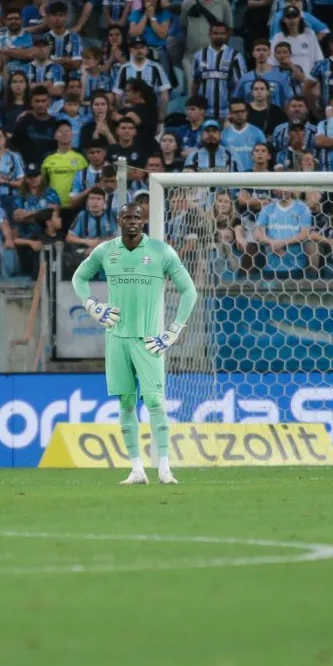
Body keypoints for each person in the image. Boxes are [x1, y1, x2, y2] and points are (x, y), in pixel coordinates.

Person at [71, 201, 198, 486]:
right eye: (127, 217)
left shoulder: (161, 251)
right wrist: (91, 305)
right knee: (126, 402)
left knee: (155, 401)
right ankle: (137, 469)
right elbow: (79, 277)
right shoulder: (105, 251)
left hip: (149, 341)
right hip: (116, 338)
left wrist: (174, 330)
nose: (132, 221)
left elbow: (189, 290)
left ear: (144, 221)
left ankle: (164, 468)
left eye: (137, 217)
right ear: (118, 221)